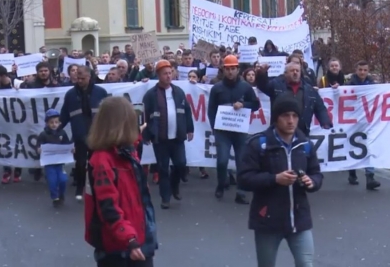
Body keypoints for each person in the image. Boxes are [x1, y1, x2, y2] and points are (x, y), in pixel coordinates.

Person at [238, 95, 323, 267]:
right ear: (276, 118)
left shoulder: (305, 144)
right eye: (285, 116)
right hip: (268, 219)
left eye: (294, 116)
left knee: (306, 264)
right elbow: (244, 179)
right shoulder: (258, 144)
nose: (291, 121)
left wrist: (311, 182)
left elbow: (316, 173)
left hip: (299, 219)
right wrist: (275, 179)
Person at [85, 96, 156, 267]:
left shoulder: (124, 152)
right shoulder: (103, 160)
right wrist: (129, 238)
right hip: (121, 246)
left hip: (136, 237)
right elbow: (108, 207)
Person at [207, 54, 260, 204]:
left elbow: (256, 105)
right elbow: (211, 110)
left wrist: (244, 105)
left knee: (241, 161)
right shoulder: (217, 88)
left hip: (239, 131)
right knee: (222, 161)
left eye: (233, 69)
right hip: (222, 132)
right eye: (228, 69)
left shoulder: (245, 87)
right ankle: (221, 184)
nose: (230, 72)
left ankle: (241, 192)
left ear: (237, 70)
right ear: (223, 70)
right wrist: (214, 127)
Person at [142, 60, 194, 209]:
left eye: (170, 73)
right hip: (160, 138)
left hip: (177, 137)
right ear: (158, 75)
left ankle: (175, 186)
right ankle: (165, 197)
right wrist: (146, 134)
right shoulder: (151, 95)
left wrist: (189, 129)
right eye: (165, 74)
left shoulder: (178, 92)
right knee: (163, 168)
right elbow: (144, 115)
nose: (168, 76)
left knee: (180, 164)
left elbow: (187, 111)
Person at [59, 65, 108, 200]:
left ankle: (94, 188)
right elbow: (64, 115)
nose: (79, 81)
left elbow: (108, 113)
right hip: (79, 135)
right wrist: (55, 130)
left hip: (97, 136)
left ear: (89, 77)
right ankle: (80, 188)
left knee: (96, 163)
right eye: (77, 78)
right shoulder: (70, 95)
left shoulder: (101, 92)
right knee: (80, 163)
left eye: (82, 78)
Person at [256, 62, 332, 136]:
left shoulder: (309, 90)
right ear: (285, 73)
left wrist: (325, 123)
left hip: (302, 132)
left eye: (297, 71)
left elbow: (320, 108)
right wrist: (261, 74)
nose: (295, 73)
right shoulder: (276, 85)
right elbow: (262, 86)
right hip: (279, 132)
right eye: (292, 71)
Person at [346, 60, 380, 190]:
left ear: (368, 70)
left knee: (368, 146)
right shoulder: (349, 85)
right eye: (360, 70)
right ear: (356, 70)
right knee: (352, 147)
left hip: (368, 121)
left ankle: (370, 177)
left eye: (365, 70)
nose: (362, 72)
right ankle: (352, 172)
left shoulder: (372, 84)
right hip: (352, 121)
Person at [0, 65, 22, 184]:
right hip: (2, 121)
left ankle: (18, 171)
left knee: (19, 144)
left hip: (18, 120)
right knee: (3, 145)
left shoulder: (17, 83)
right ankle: (7, 170)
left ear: (3, 75)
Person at [37, 109, 71, 207]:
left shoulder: (62, 133)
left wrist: (71, 150)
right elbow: (38, 146)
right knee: (52, 181)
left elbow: (67, 144)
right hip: (49, 164)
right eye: (51, 122)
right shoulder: (43, 134)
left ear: (59, 122)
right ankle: (55, 197)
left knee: (63, 180)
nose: (54, 124)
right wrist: (39, 150)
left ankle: (61, 194)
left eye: (56, 122)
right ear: (47, 123)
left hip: (60, 163)